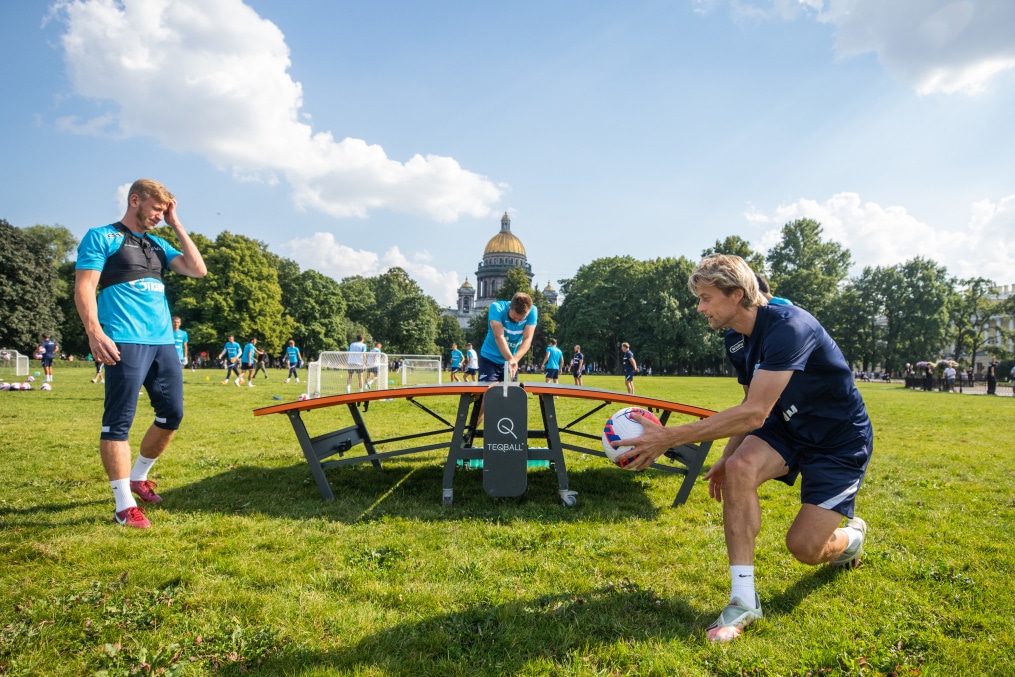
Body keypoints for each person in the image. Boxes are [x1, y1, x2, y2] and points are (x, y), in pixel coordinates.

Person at [614, 255, 872, 642]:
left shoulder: (790, 328)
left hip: (837, 443)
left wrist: (667, 437)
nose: (699, 307)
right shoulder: (735, 338)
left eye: (705, 297)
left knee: (803, 548)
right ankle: (743, 599)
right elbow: (752, 398)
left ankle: (851, 540)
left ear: (736, 295)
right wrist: (726, 457)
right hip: (786, 427)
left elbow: (754, 413)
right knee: (739, 469)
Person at [74, 178, 207, 529]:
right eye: (157, 210)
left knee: (172, 414)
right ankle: (123, 505)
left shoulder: (158, 244)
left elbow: (198, 269)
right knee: (119, 420)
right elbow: (84, 287)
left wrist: (177, 223)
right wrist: (94, 331)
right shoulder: (102, 237)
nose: (160, 217)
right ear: (135, 201)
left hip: (162, 342)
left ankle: (138, 477)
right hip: (123, 340)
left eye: (166, 212)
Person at [478, 292, 537, 382]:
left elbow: (527, 339)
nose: (517, 320)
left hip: (511, 361)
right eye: (514, 316)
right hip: (490, 358)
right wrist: (510, 359)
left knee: (510, 394)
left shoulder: (533, 311)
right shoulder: (496, 308)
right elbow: (499, 337)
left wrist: (514, 360)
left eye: (521, 319)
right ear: (510, 306)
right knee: (488, 393)